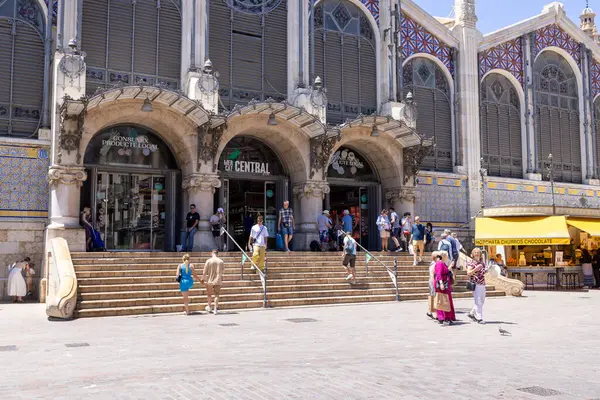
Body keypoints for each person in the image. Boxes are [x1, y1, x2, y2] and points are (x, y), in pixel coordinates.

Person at [434, 251, 456, 325]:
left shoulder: (442, 263)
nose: (447, 257)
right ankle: (444, 317)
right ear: (443, 256)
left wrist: (450, 266)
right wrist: (441, 283)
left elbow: (445, 271)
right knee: (444, 300)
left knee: (444, 299)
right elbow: (439, 274)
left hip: (445, 283)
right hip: (443, 283)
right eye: (446, 255)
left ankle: (445, 317)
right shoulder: (439, 263)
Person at [201, 250, 225, 314]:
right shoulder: (221, 261)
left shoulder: (208, 261)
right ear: (217, 254)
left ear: (212, 253)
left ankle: (209, 306)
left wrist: (202, 279)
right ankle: (215, 309)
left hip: (210, 280)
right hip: (218, 280)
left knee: (209, 294)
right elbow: (222, 271)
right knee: (216, 295)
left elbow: (204, 272)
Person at [467, 247, 487, 324]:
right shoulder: (470, 262)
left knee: (482, 300)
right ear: (472, 254)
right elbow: (468, 273)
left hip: (482, 283)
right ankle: (479, 318)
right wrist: (476, 268)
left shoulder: (482, 263)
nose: (477, 253)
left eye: (478, 252)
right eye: (475, 252)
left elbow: (483, 273)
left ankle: (472, 313)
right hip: (475, 284)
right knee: (478, 301)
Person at [426, 251, 439, 320]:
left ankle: (431, 312)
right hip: (433, 282)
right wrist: (434, 282)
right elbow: (431, 274)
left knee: (433, 296)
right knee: (433, 296)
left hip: (433, 282)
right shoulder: (433, 264)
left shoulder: (435, 263)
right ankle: (434, 313)